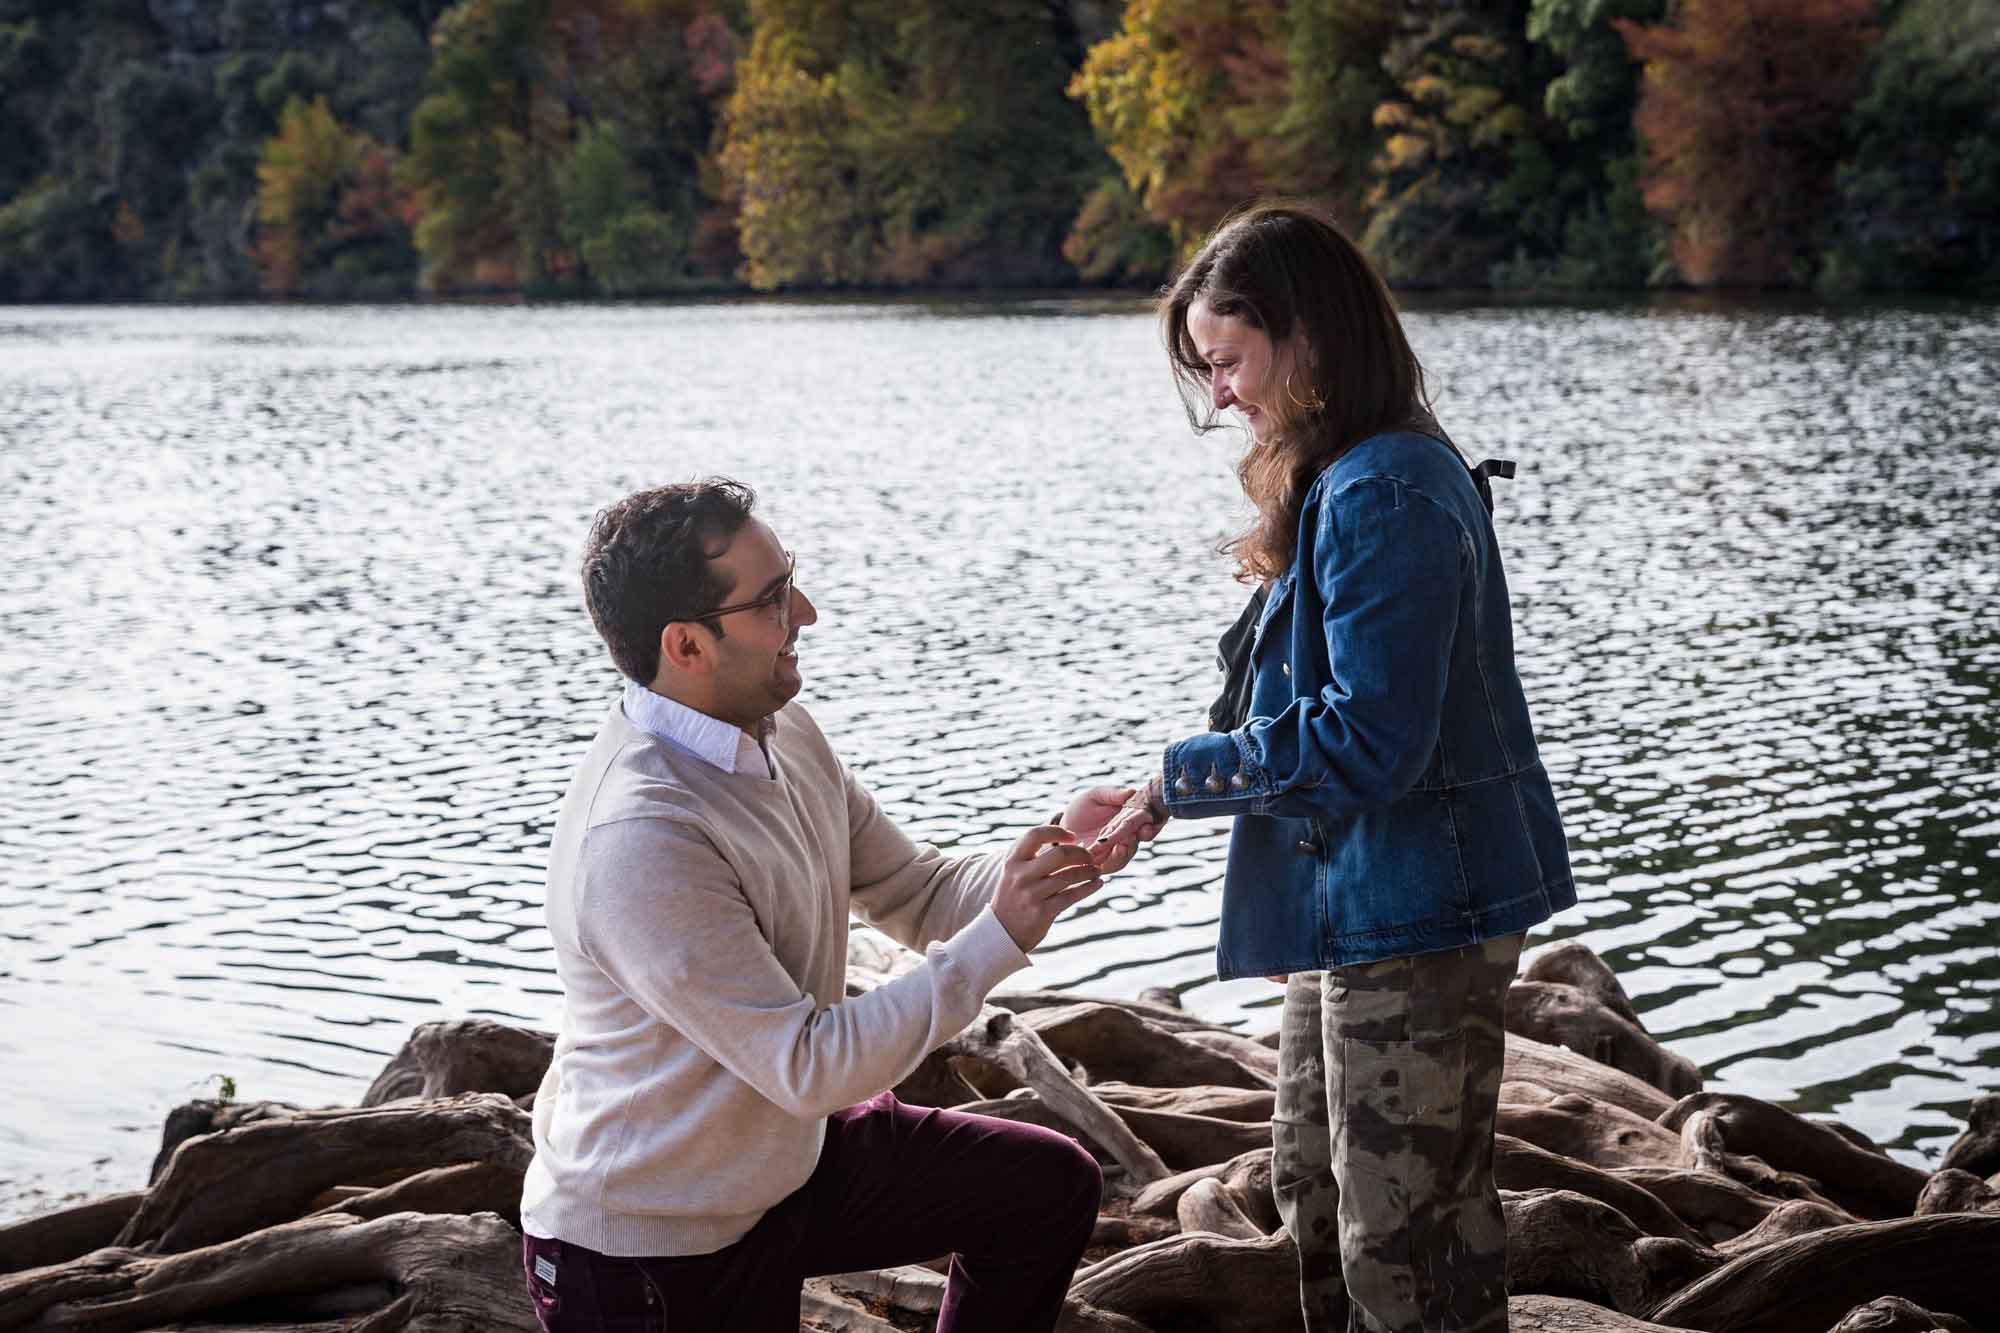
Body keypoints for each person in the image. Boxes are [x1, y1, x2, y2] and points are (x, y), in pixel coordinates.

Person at [1095, 202, 1577, 1332]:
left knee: (1406, 1250)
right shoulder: (1349, 477)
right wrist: (1263, 880)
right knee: (1318, 1203)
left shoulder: (1383, 489)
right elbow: (1311, 715)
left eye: (1227, 360)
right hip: (1357, 905)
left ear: (1303, 335)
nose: (1219, 394)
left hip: (1413, 912)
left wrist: (1177, 779)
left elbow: (1368, 739)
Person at [520, 479, 1125, 1332]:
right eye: (772, 600)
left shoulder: (782, 729)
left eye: (790, 577)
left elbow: (914, 890)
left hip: (780, 1163)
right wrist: (1000, 938)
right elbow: (809, 1066)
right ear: (687, 644)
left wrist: (1054, 854)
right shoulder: (639, 838)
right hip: (650, 1249)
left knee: (1042, 1186)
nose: (805, 610)